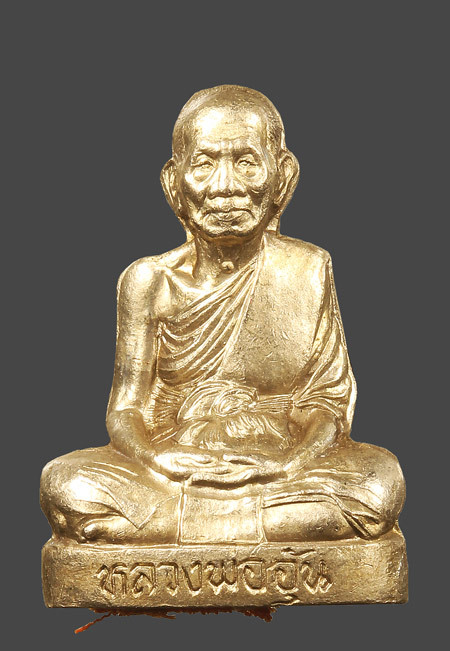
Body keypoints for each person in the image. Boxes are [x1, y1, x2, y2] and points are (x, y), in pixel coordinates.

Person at [41, 85, 405, 545]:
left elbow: (325, 403)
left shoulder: (307, 269)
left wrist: (287, 463)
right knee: (66, 483)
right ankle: (258, 532)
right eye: (204, 164)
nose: (225, 186)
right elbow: (127, 409)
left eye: (247, 162)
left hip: (277, 464)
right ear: (173, 183)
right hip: (178, 463)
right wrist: (158, 460)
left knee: (378, 482)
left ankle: (174, 533)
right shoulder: (148, 281)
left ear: (283, 176)